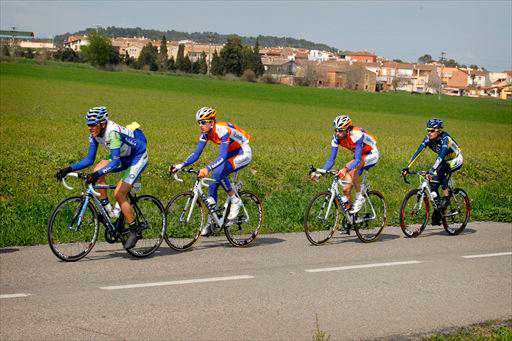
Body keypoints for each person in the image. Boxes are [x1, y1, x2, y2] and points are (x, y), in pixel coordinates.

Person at [55, 106, 149, 249]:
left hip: (137, 157)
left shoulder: (112, 133)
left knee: (119, 193)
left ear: (103, 123)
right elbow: (89, 159)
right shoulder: (94, 134)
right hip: (123, 155)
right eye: (88, 124)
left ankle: (134, 229)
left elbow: (115, 162)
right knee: (97, 169)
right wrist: (68, 169)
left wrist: (96, 175)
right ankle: (109, 210)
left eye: (93, 124)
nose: (90, 128)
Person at [170, 107, 252, 236]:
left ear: (212, 122)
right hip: (232, 152)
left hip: (243, 151)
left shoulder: (222, 130)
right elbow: (196, 154)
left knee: (219, 171)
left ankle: (235, 200)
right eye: (199, 122)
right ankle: (211, 221)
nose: (200, 125)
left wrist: (206, 168)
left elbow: (222, 157)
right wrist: (181, 165)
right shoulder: (205, 134)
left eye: (203, 122)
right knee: (213, 183)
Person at [310, 114, 379, 213]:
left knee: (352, 169)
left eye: (340, 130)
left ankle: (360, 197)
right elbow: (331, 160)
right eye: (336, 130)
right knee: (346, 190)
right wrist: (320, 172)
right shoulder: (336, 138)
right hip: (359, 157)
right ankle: (351, 217)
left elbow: (357, 160)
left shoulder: (357, 135)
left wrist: (345, 169)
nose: (337, 133)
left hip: (371, 154)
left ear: (347, 130)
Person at [401, 118, 463, 225]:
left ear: (439, 130)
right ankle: (438, 210)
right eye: (428, 130)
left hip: (455, 159)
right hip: (444, 160)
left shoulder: (445, 139)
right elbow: (418, 152)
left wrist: (432, 170)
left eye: (432, 131)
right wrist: (408, 167)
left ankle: (446, 200)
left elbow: (441, 156)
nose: (429, 133)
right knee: (433, 182)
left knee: (440, 172)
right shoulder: (428, 139)